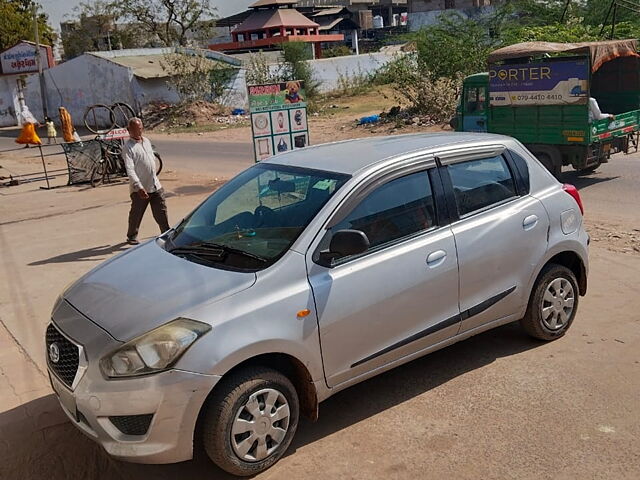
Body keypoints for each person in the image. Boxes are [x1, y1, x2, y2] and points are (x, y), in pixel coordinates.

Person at [123, 117, 170, 245]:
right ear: (129, 130)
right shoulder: (128, 147)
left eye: (140, 129)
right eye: (135, 129)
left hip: (155, 185)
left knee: (161, 211)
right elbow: (130, 169)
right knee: (136, 214)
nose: (139, 132)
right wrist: (138, 186)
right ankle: (132, 236)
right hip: (140, 189)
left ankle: (166, 233)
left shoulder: (147, 141)